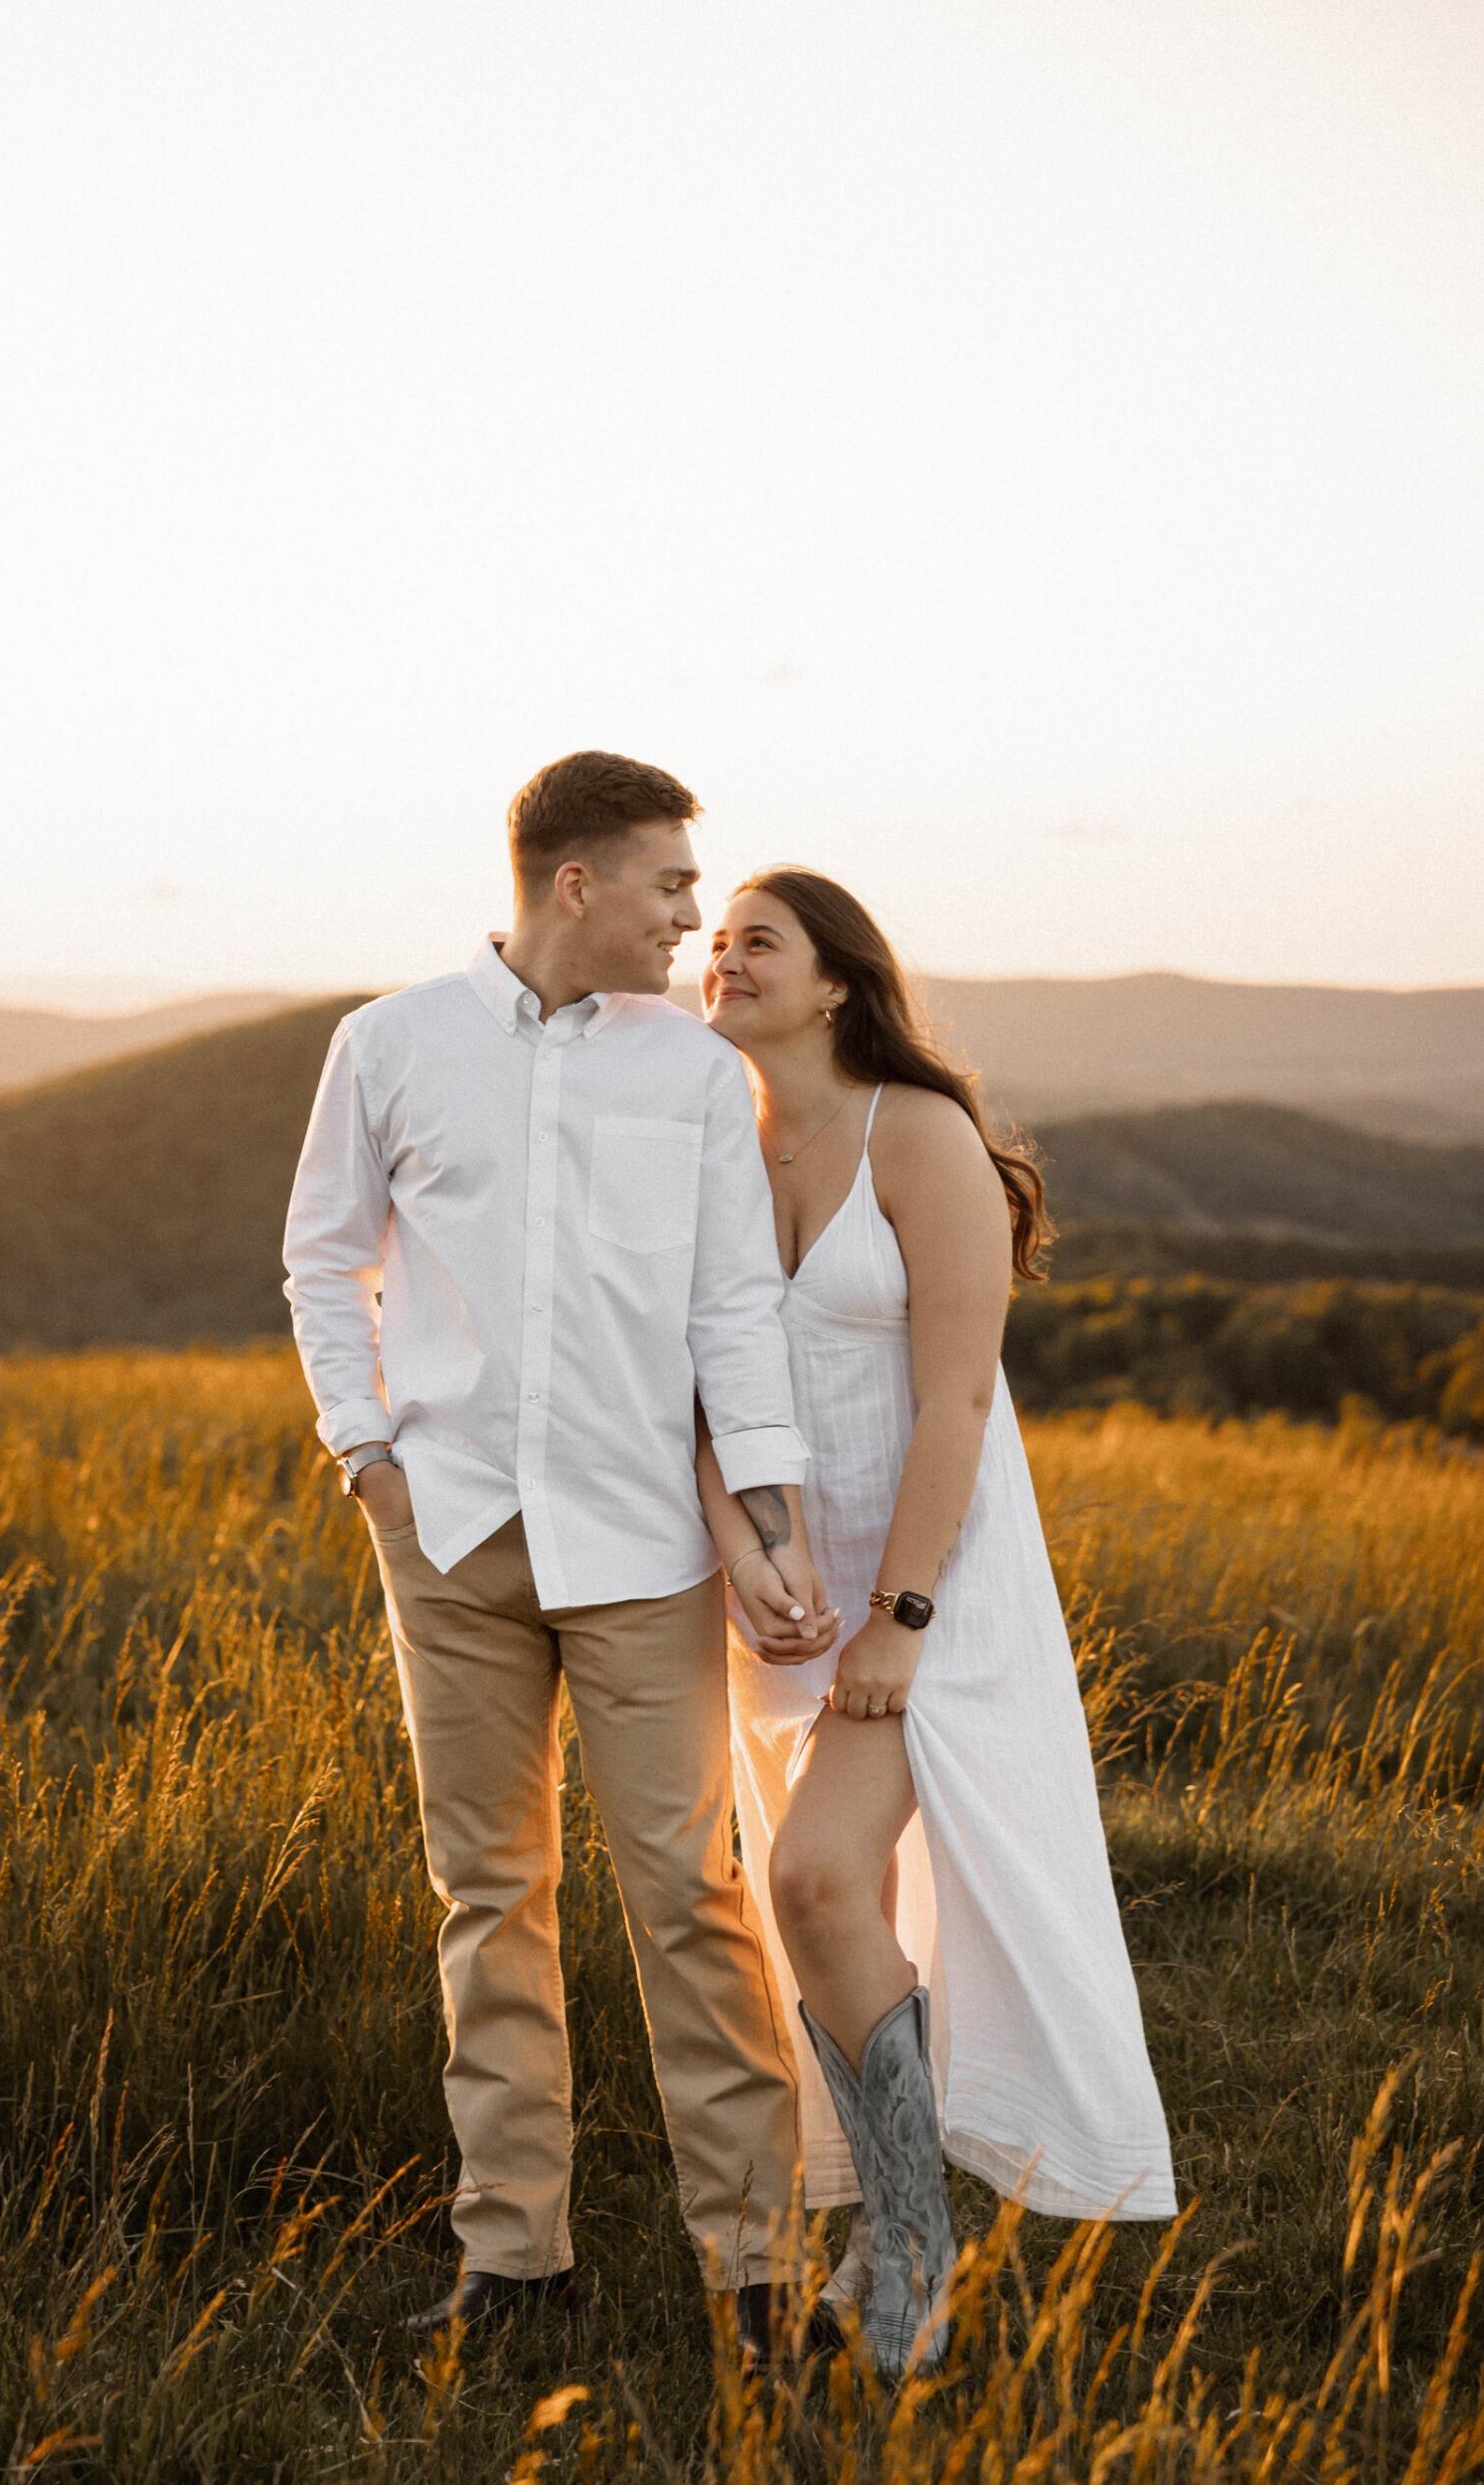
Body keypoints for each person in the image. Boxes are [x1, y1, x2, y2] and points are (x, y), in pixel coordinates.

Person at [281, 753, 839, 2364]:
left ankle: (755, 2274)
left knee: (689, 1895)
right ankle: (511, 2258)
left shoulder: (691, 1072)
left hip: (643, 1543)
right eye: (669, 885)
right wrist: (367, 1456)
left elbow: (730, 1306)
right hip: (446, 1535)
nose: (689, 920)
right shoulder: (387, 1044)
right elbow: (325, 1258)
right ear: (574, 883)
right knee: (489, 1895)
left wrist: (768, 1520)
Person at [697, 868, 1178, 2380]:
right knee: (827, 1902)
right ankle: (890, 2236)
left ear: (839, 981)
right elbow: (692, 1385)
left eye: (758, 941)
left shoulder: (917, 1135)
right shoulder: (712, 1142)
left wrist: (898, 1619)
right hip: (783, 1594)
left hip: (933, 1584)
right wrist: (746, 1552)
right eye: (713, 941)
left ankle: (908, 2257)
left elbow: (959, 1398)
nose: (722, 960)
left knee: (816, 1877)